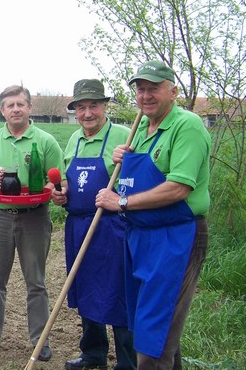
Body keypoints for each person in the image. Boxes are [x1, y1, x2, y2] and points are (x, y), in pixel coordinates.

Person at [95, 60, 210, 369]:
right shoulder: (141, 131)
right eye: (140, 89)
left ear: (173, 91)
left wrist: (120, 202)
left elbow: (177, 189)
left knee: (154, 337)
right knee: (150, 325)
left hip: (176, 237)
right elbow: (135, 182)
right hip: (141, 238)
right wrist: (121, 162)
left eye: (153, 89)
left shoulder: (187, 125)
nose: (145, 96)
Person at [0, 85, 63, 361]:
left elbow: (56, 180)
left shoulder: (46, 141)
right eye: (9, 105)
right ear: (2, 110)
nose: (15, 109)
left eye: (20, 104)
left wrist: (50, 189)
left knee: (36, 282)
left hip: (35, 217)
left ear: (29, 108)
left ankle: (39, 340)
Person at [51, 79, 136, 370]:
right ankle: (93, 353)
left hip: (113, 228)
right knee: (85, 288)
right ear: (75, 110)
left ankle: (127, 361)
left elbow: (140, 182)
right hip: (77, 225)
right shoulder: (74, 138)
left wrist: (121, 194)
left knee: (118, 292)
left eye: (93, 106)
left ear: (104, 107)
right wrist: (61, 193)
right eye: (81, 107)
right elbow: (67, 177)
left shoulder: (125, 136)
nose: (87, 113)